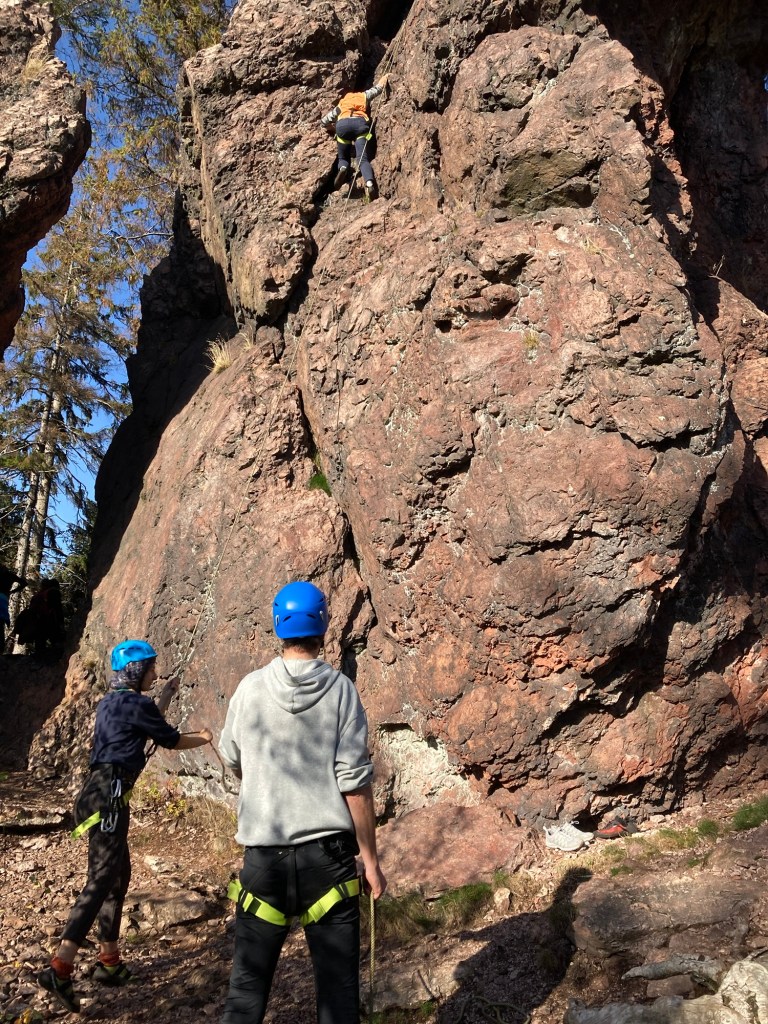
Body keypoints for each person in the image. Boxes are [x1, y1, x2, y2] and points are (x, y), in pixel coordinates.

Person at [219, 580, 387, 1024]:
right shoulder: (341, 691)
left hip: (263, 862)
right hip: (327, 863)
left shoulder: (250, 689)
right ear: (323, 625)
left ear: (278, 625)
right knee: (338, 996)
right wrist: (370, 861)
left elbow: (231, 755)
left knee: (245, 995)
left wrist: (263, 782)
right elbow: (354, 785)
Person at [37, 640, 213, 1013]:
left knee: (117, 878)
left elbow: (145, 722)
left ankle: (109, 962)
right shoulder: (136, 705)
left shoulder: (112, 702)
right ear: (137, 671)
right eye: (150, 668)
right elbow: (171, 740)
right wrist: (205, 737)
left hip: (98, 794)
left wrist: (165, 696)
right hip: (111, 798)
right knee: (102, 880)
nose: (154, 673)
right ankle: (60, 966)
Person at [321, 75, 389, 199]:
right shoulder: (363, 96)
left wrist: (334, 129)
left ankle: (343, 167)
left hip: (342, 126)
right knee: (362, 159)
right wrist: (386, 76)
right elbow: (379, 88)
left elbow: (324, 122)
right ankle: (369, 183)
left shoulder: (342, 104)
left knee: (343, 157)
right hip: (360, 125)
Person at [11, 578, 65, 659]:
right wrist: (61, 624)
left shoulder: (37, 595)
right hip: (48, 620)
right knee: (56, 641)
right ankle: (57, 659)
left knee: (40, 642)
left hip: (36, 622)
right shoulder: (53, 592)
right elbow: (57, 609)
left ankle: (39, 660)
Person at [0, 565, 28, 654]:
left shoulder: (7, 575)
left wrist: (13, 591)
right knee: (1, 622)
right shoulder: (10, 575)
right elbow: (24, 583)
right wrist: (13, 591)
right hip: (4, 598)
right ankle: (1, 648)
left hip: (3, 597)